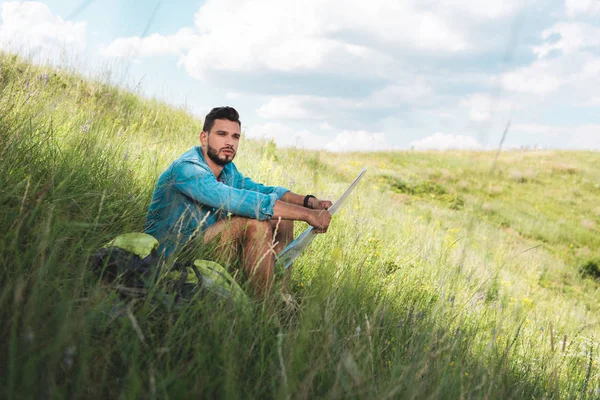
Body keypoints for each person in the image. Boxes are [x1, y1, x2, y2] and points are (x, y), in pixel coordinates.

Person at [145, 106, 332, 296]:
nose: (229, 142)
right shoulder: (188, 169)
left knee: (282, 218)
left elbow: (263, 191)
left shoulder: (227, 170)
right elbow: (236, 200)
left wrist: (309, 202)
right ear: (204, 138)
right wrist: (308, 215)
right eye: (221, 134)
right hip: (171, 259)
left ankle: (282, 296)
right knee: (254, 223)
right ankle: (264, 309)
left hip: (204, 248)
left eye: (235, 137)